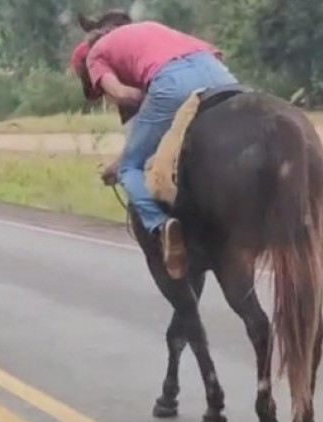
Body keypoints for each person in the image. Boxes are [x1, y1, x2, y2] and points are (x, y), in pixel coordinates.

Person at [70, 12, 238, 277]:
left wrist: (143, 103)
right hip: (220, 75)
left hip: (172, 82)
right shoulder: (153, 30)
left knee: (129, 168)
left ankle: (162, 226)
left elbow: (123, 94)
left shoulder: (95, 54)